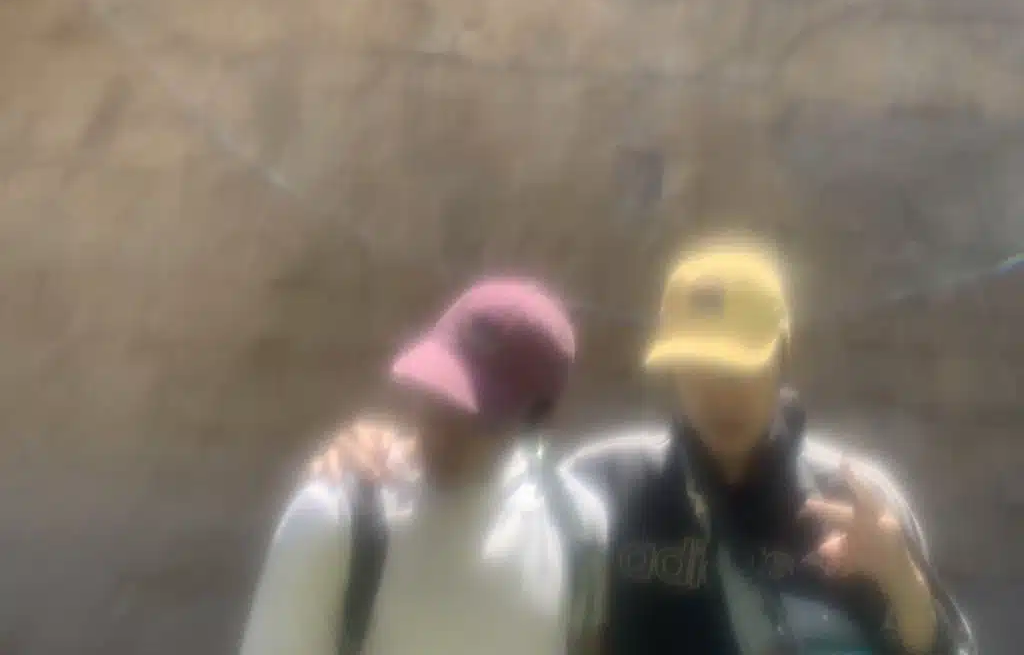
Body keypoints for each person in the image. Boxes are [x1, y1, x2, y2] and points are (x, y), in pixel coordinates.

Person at [310, 239, 976, 655]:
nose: (716, 392)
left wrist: (902, 582)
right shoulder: (602, 484)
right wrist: (389, 455)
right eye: (697, 367)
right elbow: (475, 513)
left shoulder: (854, 500)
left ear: (782, 354)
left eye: (736, 368)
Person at [238, 277, 609, 655]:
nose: (443, 427)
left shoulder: (578, 524)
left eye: (479, 415)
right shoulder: (336, 515)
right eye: (439, 392)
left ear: (534, 420)